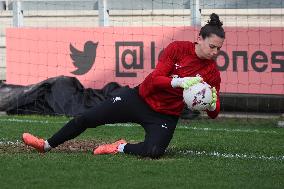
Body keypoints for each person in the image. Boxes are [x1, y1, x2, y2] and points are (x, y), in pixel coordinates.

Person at [22, 13, 225, 159]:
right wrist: (179, 81)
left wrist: (211, 104)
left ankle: (120, 147)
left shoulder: (212, 72)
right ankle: (45, 145)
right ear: (199, 39)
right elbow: (155, 79)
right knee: (88, 118)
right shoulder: (177, 48)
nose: (215, 52)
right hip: (139, 99)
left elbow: (214, 114)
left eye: (219, 48)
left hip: (166, 115)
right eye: (212, 46)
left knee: (154, 152)